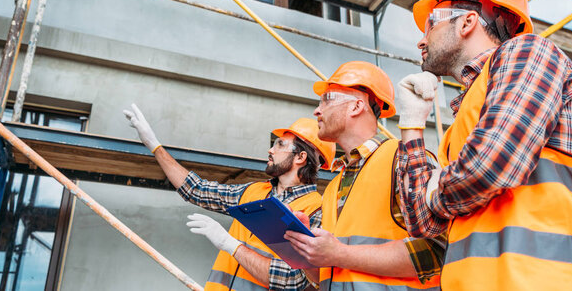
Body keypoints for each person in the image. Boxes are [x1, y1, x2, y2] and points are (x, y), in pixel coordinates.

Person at [395, 0, 572, 290]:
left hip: (537, 281)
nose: (421, 41)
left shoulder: (529, 52)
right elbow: (419, 221)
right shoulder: (463, 122)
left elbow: (491, 163)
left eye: (429, 25)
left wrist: (435, 191)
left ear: (467, 22)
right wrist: (412, 124)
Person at [123, 106, 336, 291]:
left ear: (300, 157)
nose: (270, 150)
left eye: (280, 144)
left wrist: (230, 245)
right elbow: (196, 189)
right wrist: (155, 146)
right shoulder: (253, 192)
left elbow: (292, 280)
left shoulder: (316, 210)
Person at [284, 61, 444, 290]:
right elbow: (326, 275)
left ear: (356, 107)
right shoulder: (333, 187)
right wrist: (302, 248)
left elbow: (436, 250)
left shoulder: (403, 158)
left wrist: (340, 253)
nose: (317, 110)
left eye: (327, 99)